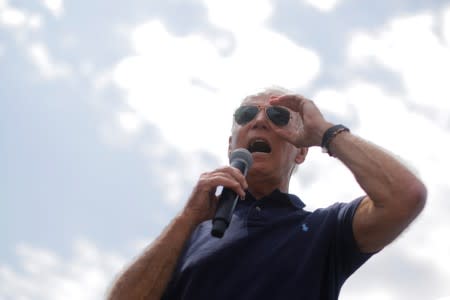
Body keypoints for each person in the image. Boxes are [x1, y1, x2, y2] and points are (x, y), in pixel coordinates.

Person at [107, 87, 427, 300]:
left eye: (277, 117)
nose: (260, 120)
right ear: (231, 146)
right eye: (246, 115)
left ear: (300, 153)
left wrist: (325, 133)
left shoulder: (325, 231)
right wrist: (186, 220)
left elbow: (404, 196)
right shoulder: (188, 236)